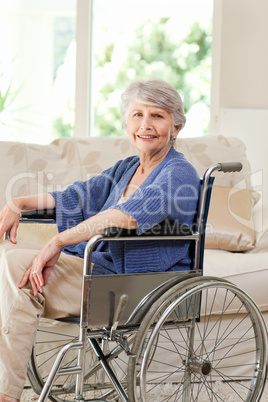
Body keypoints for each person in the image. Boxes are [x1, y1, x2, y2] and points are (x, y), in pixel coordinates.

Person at [0, 79, 200, 401]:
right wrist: (18, 204)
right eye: (137, 115)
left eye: (157, 116)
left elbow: (126, 216)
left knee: (14, 266)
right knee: (8, 252)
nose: (145, 125)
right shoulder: (128, 167)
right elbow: (78, 197)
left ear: (176, 127)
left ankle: (6, 395)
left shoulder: (179, 173)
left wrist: (58, 242)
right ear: (126, 123)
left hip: (130, 284)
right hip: (97, 271)